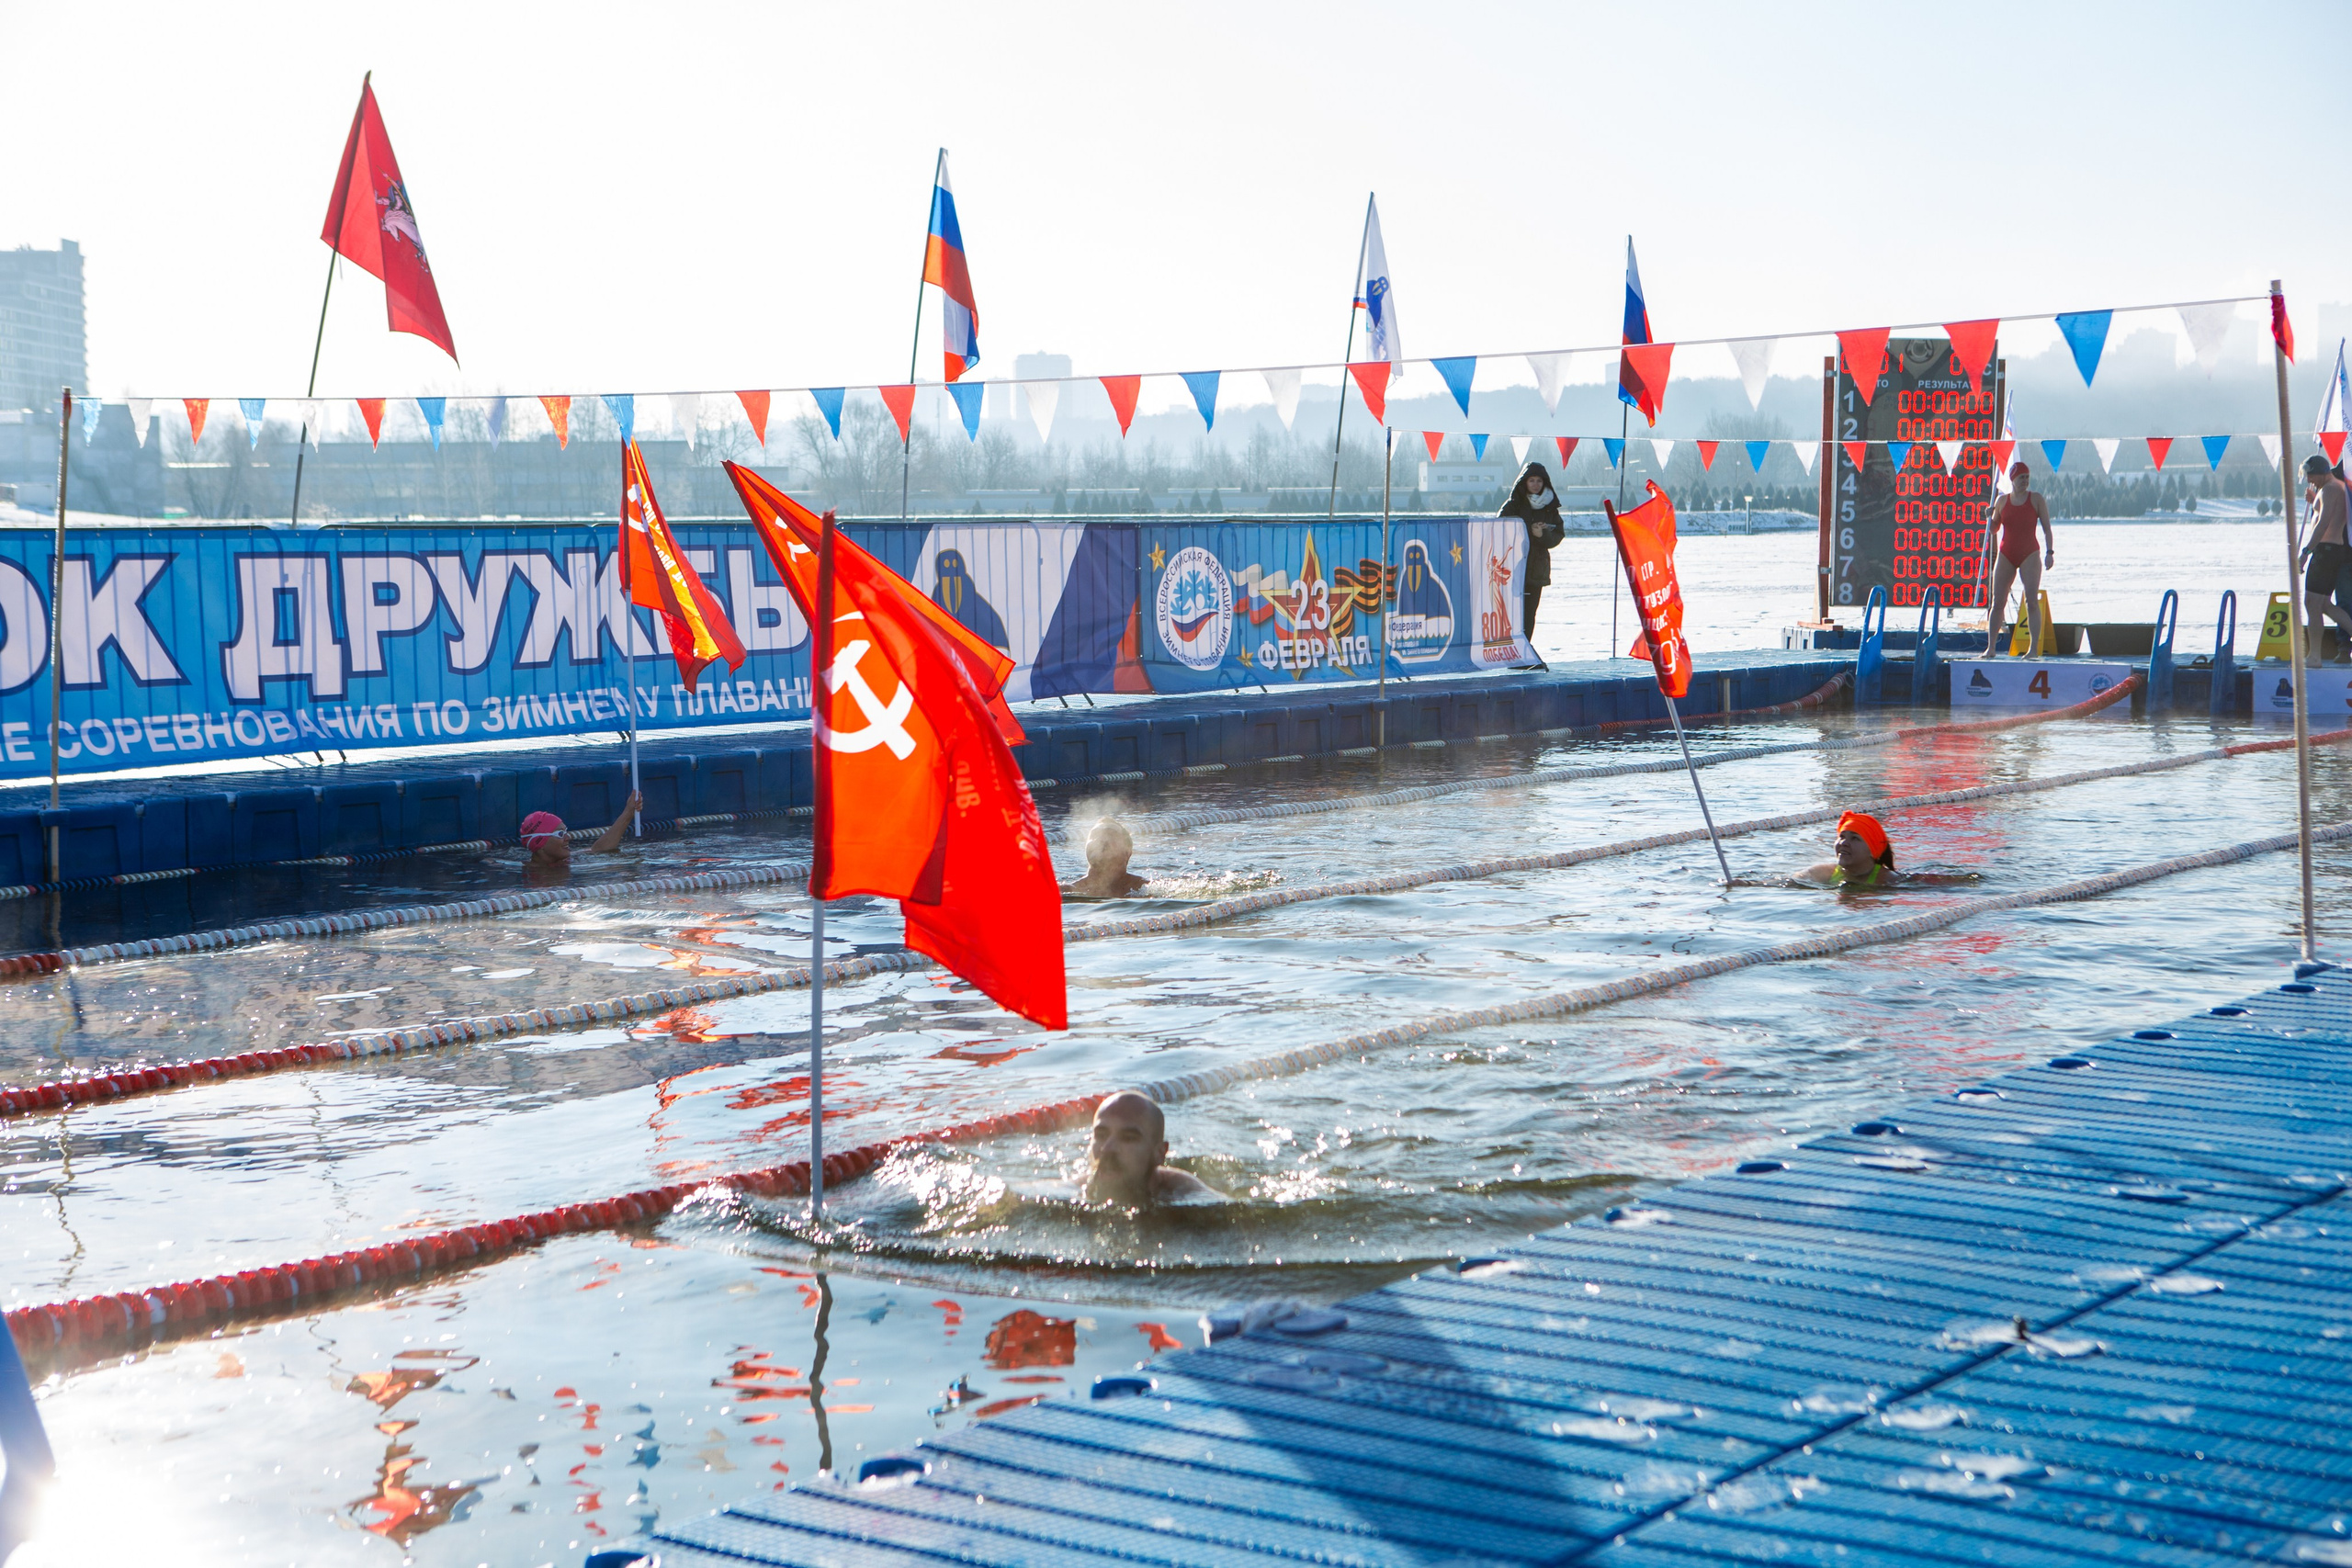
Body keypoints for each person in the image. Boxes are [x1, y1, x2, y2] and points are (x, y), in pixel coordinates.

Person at [1083, 1090, 1218, 1206]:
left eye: (1128, 1138)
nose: (1107, 1148)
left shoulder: (1187, 1193)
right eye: (1101, 1135)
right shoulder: (1075, 1190)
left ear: (1159, 1153)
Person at [1979, 462, 2054, 657]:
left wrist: (2050, 552)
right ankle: (1992, 648)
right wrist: (1989, 518)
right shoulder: (2002, 501)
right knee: (1997, 602)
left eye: (2027, 477)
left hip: (2029, 553)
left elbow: (2047, 528)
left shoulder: (2036, 499)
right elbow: (1994, 529)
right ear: (2012, 480)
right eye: (2021, 478)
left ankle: (2033, 649)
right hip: (2007, 553)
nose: (2025, 481)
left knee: (2031, 601)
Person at [1498, 461, 1566, 666]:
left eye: (1539, 481)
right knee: (1514, 614)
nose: (1535, 484)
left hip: (1536, 568)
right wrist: (1529, 530)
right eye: (1531, 480)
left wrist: (1542, 534)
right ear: (1524, 482)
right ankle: (1515, 653)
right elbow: (1500, 530)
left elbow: (1557, 536)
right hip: (1514, 566)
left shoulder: (1550, 506)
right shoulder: (1514, 505)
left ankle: (1524, 651)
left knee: (1530, 613)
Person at [2301, 455, 2352, 664]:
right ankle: (2314, 654)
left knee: (2312, 602)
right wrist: (2315, 500)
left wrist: (2306, 551)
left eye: (2310, 476)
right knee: (2324, 605)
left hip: (2325, 551)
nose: (2309, 481)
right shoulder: (2335, 487)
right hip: (2333, 551)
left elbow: (2323, 523)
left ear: (2319, 472)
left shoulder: (2330, 488)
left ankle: (2314, 656)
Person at [520, 789, 641, 878]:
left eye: (565, 832)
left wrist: (629, 812)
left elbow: (598, 849)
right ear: (539, 844)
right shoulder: (533, 874)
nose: (568, 837)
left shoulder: (564, 860)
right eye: (560, 834)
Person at [1804, 811, 1896, 887]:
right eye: (1842, 837)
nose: (1843, 843)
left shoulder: (1887, 880)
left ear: (1873, 850)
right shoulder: (1823, 872)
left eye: (1855, 838)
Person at [1061, 817, 1144, 898]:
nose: (1100, 839)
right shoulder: (1064, 891)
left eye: (1110, 835)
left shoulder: (1146, 889)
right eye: (1094, 835)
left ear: (1127, 852)